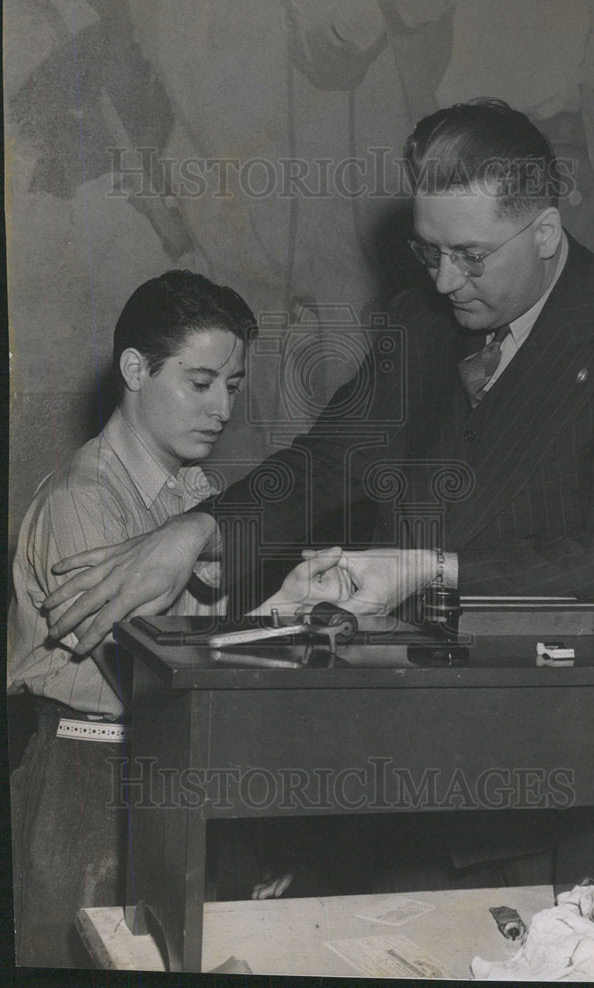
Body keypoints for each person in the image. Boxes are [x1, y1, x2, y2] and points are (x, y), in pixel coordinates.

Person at [42, 98, 594, 643]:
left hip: (572, 696)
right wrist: (201, 528)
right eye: (429, 251)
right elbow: (333, 457)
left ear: (544, 232)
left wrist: (426, 569)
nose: (443, 281)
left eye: (470, 257)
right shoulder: (421, 319)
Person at [8, 269, 350, 967]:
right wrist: (275, 624)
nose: (221, 407)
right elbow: (157, 669)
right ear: (136, 369)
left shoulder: (193, 496)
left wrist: (283, 606)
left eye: (232, 385)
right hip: (89, 774)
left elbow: (194, 651)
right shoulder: (84, 501)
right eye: (199, 383)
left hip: (164, 760)